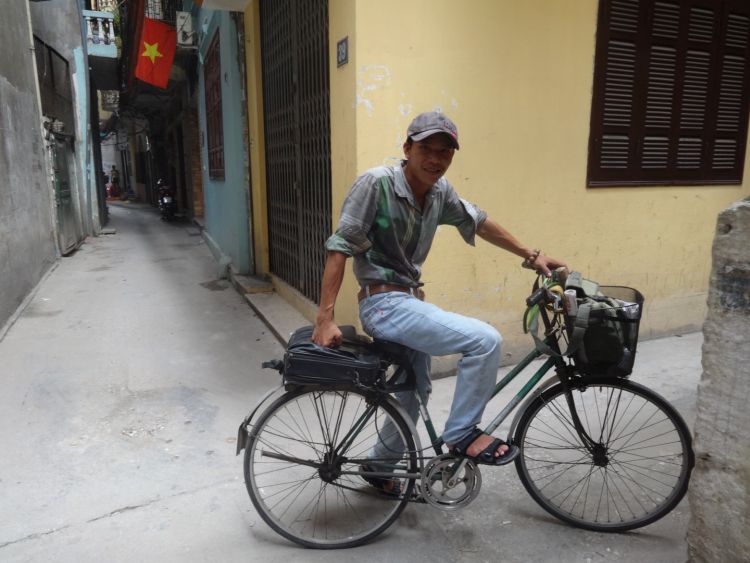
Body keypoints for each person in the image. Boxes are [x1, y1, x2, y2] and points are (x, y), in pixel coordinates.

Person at [312, 112, 565, 491]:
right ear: (407, 149)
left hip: (409, 303)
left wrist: (532, 255)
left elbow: (478, 220)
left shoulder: (439, 192)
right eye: (426, 149)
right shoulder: (375, 184)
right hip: (384, 305)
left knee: (414, 390)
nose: (435, 159)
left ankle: (380, 467)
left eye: (444, 152)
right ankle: (462, 433)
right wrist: (324, 318)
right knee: (485, 340)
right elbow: (339, 247)